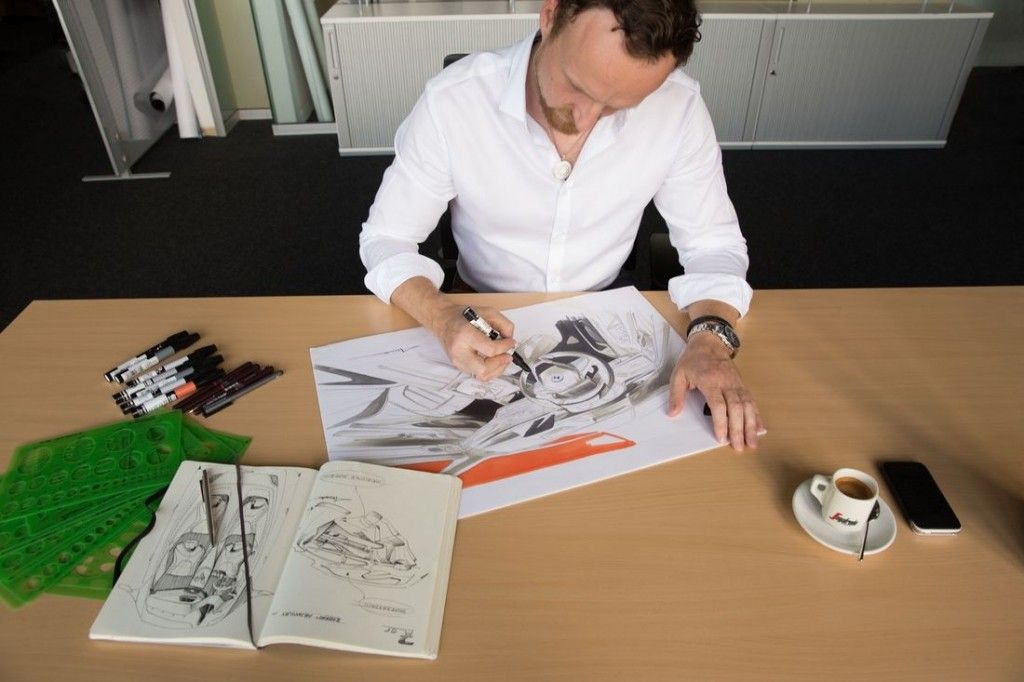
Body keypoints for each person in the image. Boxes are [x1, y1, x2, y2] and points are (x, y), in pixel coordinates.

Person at [359, 0, 763, 451]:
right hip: (481, 307)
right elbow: (387, 238)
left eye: (617, 107)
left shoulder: (678, 106)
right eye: (577, 85)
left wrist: (711, 339)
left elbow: (713, 244)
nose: (584, 119)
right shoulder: (454, 100)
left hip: (608, 308)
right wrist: (440, 316)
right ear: (550, 15)